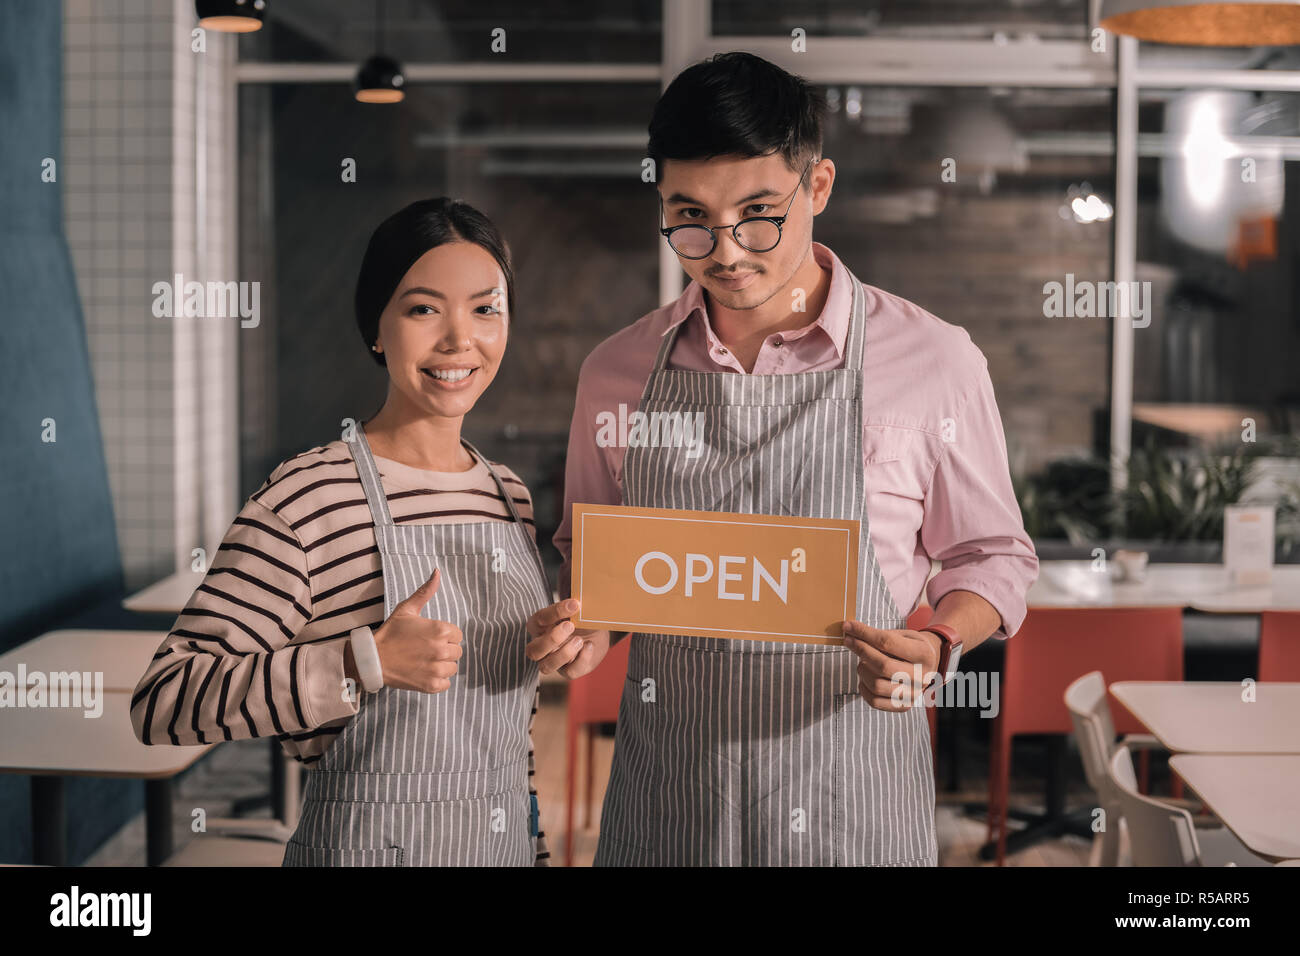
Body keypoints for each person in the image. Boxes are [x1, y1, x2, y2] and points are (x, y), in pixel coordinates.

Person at [528, 52, 1039, 866]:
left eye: (759, 213)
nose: (725, 251)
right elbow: (594, 568)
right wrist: (586, 628)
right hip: (672, 802)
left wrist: (939, 643)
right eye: (689, 216)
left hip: (851, 798)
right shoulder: (616, 372)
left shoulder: (935, 361)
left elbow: (993, 555)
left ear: (820, 187)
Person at [131, 198, 551, 866]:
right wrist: (360, 663)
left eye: (485, 307)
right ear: (376, 328)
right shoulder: (310, 496)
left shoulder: (508, 497)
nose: (458, 339)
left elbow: (514, 749)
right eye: (422, 309)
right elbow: (166, 702)